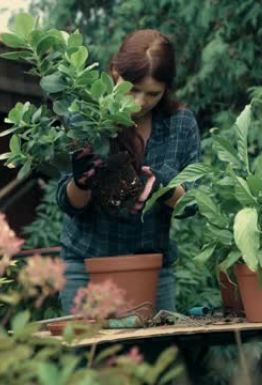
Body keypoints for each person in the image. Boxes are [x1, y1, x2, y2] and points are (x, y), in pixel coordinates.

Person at [56, 29, 201, 314]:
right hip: (87, 268)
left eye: (152, 94)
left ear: (166, 89)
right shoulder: (86, 119)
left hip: (151, 272)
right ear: (114, 72)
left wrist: (164, 186)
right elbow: (68, 204)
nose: (139, 102)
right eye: (132, 89)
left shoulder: (180, 124)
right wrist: (81, 181)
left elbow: (192, 205)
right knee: (90, 358)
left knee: (153, 357)